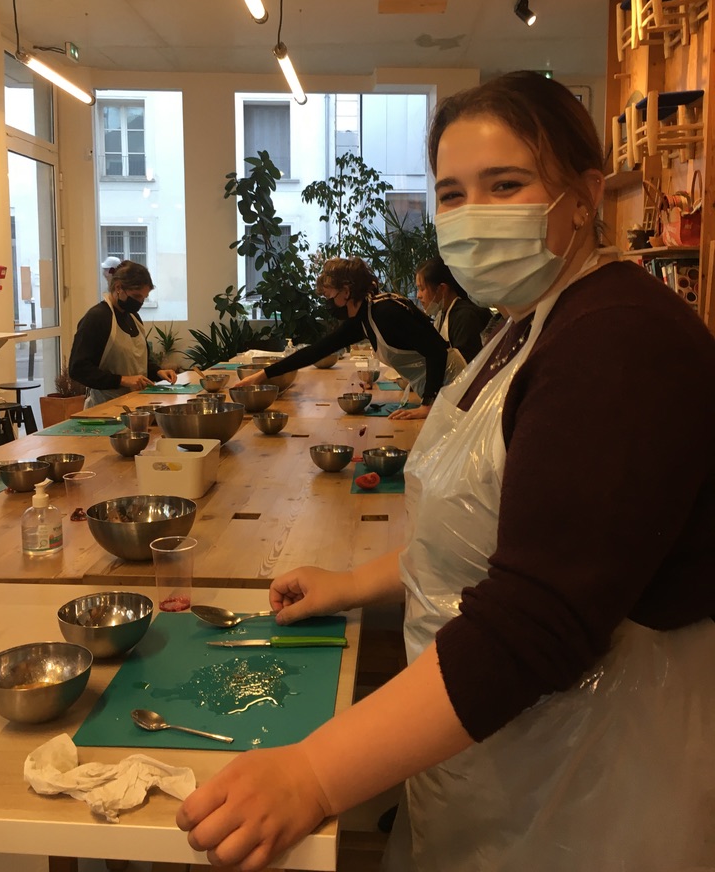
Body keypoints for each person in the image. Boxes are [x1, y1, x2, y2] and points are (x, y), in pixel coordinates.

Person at [176, 71, 715, 872]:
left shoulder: (618, 342)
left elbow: (534, 622)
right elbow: (490, 531)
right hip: (505, 752)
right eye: (453, 194)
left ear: (585, 195)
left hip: (593, 784)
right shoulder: (528, 325)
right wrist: (353, 583)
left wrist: (313, 774)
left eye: (507, 184)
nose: (473, 215)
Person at [238, 256, 465, 420]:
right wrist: (262, 375)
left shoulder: (385, 313)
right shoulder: (365, 317)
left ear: (346, 291)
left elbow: (437, 352)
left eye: (329, 296)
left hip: (456, 389)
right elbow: (317, 350)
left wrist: (427, 404)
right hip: (440, 392)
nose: (328, 303)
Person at [70, 260, 177, 406]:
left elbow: (138, 361)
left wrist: (158, 372)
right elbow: (78, 369)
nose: (140, 302)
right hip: (105, 407)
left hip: (136, 404)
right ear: (118, 287)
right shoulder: (97, 318)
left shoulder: (134, 317)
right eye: (136, 296)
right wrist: (122, 380)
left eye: (144, 298)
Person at [415, 256, 491, 362]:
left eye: (422, 289)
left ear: (442, 288)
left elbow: (465, 366)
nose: (418, 295)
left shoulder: (465, 317)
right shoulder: (441, 314)